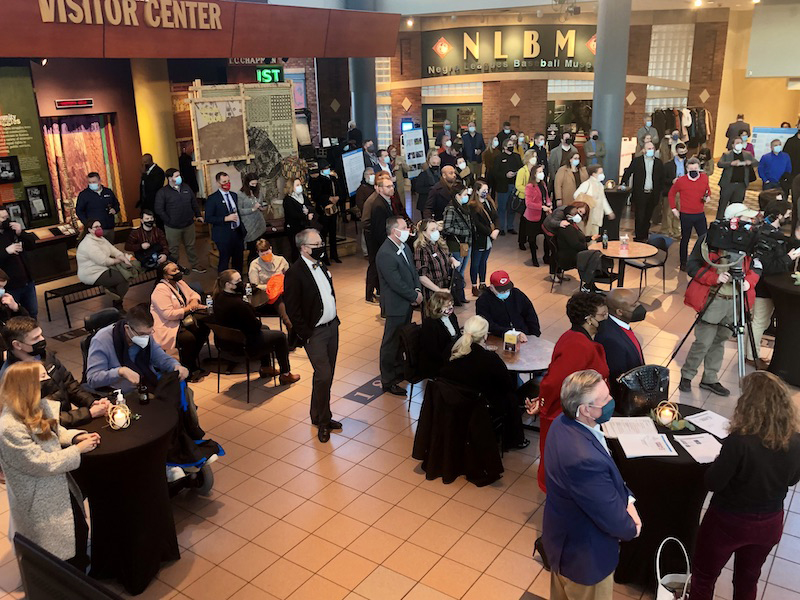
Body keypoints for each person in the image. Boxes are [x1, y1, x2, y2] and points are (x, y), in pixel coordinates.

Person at [688, 371, 800, 600]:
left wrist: (718, 462)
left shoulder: (740, 440)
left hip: (728, 520)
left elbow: (713, 483)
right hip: (770, 523)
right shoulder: (796, 440)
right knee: (748, 580)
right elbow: (791, 480)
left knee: (704, 577)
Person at [541, 369, 641, 599]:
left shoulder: (561, 423)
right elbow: (609, 514)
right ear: (585, 409)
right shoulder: (583, 460)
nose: (611, 401)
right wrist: (632, 527)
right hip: (585, 559)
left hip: (562, 540)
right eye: (605, 399)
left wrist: (628, 499)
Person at [0, 361, 99, 568]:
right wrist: (77, 450)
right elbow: (39, 463)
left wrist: (75, 437)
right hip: (39, 498)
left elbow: (54, 431)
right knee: (58, 549)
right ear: (26, 386)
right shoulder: (9, 428)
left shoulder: (37, 404)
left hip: (58, 487)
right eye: (43, 378)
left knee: (79, 530)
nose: (49, 381)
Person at [527, 292, 610, 492]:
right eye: (603, 315)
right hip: (568, 418)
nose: (607, 319)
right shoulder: (579, 346)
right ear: (589, 319)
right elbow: (556, 382)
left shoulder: (574, 337)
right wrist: (543, 403)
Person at [679, 204, 761, 397]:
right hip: (713, 299)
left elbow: (756, 266)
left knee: (720, 341)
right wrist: (714, 278)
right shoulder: (709, 239)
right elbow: (692, 266)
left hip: (735, 302)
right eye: (745, 218)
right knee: (703, 342)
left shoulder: (749, 240)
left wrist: (748, 282)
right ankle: (687, 376)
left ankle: (710, 379)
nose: (749, 222)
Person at [283, 229, 341, 443]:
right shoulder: (295, 273)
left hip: (332, 327)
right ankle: (323, 421)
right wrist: (306, 334)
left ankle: (317, 414)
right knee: (323, 375)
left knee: (326, 375)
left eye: (321, 243)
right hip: (315, 332)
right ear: (304, 248)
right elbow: (292, 309)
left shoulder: (321, 265)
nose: (321, 247)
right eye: (317, 245)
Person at [439, 315, 530, 450]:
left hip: (452, 399)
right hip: (480, 404)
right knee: (511, 397)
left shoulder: (450, 349)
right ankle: (515, 439)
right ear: (485, 336)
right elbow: (507, 385)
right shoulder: (489, 359)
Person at [1, 316, 110, 427]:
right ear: (17, 345)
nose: (42, 339)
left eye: (41, 334)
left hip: (69, 421)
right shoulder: (12, 377)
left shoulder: (45, 355)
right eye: (35, 338)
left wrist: (91, 402)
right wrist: (88, 414)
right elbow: (38, 419)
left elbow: (69, 383)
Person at [212, 269, 300, 385]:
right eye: (238, 281)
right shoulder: (239, 305)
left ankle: (266, 367)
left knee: (266, 328)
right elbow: (255, 326)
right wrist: (250, 309)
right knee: (281, 336)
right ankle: (286, 374)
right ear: (228, 285)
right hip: (244, 345)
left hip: (225, 342)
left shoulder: (217, 298)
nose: (241, 283)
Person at [86, 302, 189, 393]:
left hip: (145, 383)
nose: (146, 338)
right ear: (127, 328)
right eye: (142, 334)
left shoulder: (146, 335)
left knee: (181, 390)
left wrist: (176, 366)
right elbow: (92, 379)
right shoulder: (101, 340)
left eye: (149, 333)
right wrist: (120, 372)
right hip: (120, 393)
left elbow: (160, 357)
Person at [746, 200, 800, 369]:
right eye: (787, 215)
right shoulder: (766, 236)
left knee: (759, 320)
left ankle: (750, 353)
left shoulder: (770, 232)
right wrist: (788, 258)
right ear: (778, 215)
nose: (789, 218)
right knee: (760, 321)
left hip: (767, 285)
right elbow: (767, 266)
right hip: (763, 286)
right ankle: (751, 356)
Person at [376, 216, 422, 396]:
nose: (407, 230)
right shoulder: (385, 253)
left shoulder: (404, 247)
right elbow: (395, 282)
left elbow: (413, 271)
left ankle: (398, 370)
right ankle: (388, 380)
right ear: (394, 230)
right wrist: (414, 296)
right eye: (404, 227)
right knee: (391, 342)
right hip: (396, 304)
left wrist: (416, 289)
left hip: (407, 301)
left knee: (401, 339)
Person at [150, 261, 209, 382]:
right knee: (188, 338)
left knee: (203, 327)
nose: (178, 272)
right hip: (168, 325)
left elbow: (193, 294)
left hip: (183, 319)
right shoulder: (160, 290)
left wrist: (194, 302)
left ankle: (191, 361)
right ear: (165, 276)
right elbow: (168, 314)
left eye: (177, 269)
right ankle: (187, 368)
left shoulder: (179, 283)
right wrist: (190, 308)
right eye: (174, 271)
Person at [594, 289, 646, 400]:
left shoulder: (620, 326)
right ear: (619, 312)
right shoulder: (610, 339)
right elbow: (619, 378)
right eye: (634, 305)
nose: (639, 306)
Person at [155, 168, 205, 274]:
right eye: (176, 176)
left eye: (179, 175)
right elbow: (159, 209)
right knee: (173, 249)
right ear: (169, 178)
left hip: (188, 224)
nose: (179, 178)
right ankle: (174, 268)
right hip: (172, 227)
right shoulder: (163, 192)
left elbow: (193, 202)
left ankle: (195, 264)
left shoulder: (186, 187)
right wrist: (169, 220)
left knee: (191, 246)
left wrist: (198, 215)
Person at [76, 220, 133, 312]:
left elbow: (113, 250)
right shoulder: (88, 244)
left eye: (100, 226)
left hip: (103, 269)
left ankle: (113, 293)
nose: (99, 228)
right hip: (92, 274)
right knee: (123, 278)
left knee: (126, 275)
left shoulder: (101, 239)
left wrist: (121, 256)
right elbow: (104, 261)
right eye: (96, 227)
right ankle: (117, 303)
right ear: (90, 230)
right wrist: (120, 260)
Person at [670, 157, 711, 270]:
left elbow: (708, 190)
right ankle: (683, 262)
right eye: (691, 169)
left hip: (700, 214)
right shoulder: (681, 181)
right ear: (687, 169)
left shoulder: (704, 178)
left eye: (695, 169)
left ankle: (703, 261)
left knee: (704, 239)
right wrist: (674, 209)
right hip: (686, 215)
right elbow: (671, 194)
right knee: (685, 239)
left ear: (699, 168)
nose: (693, 171)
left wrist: (708, 196)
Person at [476, 270, 541, 340]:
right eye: (502, 291)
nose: (506, 293)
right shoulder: (483, 301)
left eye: (507, 290)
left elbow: (530, 314)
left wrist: (534, 334)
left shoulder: (517, 294)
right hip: (499, 337)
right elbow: (487, 324)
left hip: (523, 334)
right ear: (492, 288)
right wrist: (509, 333)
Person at [622, 141, 665, 242]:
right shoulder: (637, 161)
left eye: (652, 148)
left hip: (652, 193)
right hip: (640, 193)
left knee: (647, 216)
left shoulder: (658, 162)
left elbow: (661, 178)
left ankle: (645, 235)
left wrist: (660, 191)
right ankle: (639, 236)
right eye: (649, 148)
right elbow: (628, 172)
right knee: (639, 216)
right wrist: (623, 183)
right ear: (644, 150)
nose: (651, 150)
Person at [0, 207, 38, 318]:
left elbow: (32, 245)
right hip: (10, 285)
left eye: (7, 217)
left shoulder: (11, 231)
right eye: (2, 218)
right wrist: (6, 251)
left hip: (27, 281)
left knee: (32, 313)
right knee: (12, 315)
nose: (6, 220)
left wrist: (21, 233)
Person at [205, 171, 246, 274]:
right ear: (218, 183)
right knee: (224, 261)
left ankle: (238, 279)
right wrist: (225, 219)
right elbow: (208, 218)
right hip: (223, 235)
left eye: (228, 181)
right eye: (224, 182)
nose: (227, 184)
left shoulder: (234, 195)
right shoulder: (212, 199)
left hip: (237, 233)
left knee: (238, 260)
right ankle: (223, 281)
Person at [248, 238, 293, 331]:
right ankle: (288, 322)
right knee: (278, 297)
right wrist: (272, 286)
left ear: (271, 249)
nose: (266, 256)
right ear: (258, 253)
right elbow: (255, 285)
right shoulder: (255, 265)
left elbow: (290, 277)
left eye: (267, 253)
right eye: (263, 254)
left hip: (283, 289)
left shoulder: (281, 260)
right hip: (267, 294)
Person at [367, 172, 397, 304]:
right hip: (378, 244)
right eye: (388, 187)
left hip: (382, 242)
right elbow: (379, 230)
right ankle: (370, 294)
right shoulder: (378, 205)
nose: (391, 188)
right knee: (375, 268)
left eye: (392, 186)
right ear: (379, 189)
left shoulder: (386, 201)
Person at [413, 219, 460, 304]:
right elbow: (421, 276)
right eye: (432, 230)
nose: (436, 232)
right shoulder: (421, 249)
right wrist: (438, 290)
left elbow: (447, 256)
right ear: (423, 232)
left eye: (436, 229)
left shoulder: (439, 243)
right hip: (432, 293)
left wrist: (453, 260)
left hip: (445, 288)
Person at [468, 180, 499, 294]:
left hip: (489, 239)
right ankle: (474, 285)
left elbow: (496, 217)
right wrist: (490, 232)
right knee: (475, 263)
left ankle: (482, 283)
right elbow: (476, 223)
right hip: (479, 238)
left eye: (487, 189)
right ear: (476, 191)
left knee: (483, 262)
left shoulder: (489, 202)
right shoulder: (473, 206)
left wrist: (497, 229)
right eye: (483, 190)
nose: (486, 192)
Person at [419, 291, 459, 379]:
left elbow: (458, 335)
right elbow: (432, 351)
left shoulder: (452, 316)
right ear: (437, 307)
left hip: (451, 355)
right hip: (437, 362)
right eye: (447, 306)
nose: (451, 307)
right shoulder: (430, 324)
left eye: (451, 304)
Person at [717, 137, 759, 220]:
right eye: (737, 143)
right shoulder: (727, 154)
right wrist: (731, 163)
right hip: (728, 184)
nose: (739, 145)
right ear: (733, 145)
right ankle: (719, 221)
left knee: (737, 206)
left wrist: (750, 162)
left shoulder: (747, 154)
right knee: (723, 205)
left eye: (741, 143)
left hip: (741, 185)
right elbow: (720, 164)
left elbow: (756, 162)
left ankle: (734, 222)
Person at [309, 160, 342, 264]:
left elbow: (339, 190)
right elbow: (316, 196)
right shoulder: (316, 181)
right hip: (323, 210)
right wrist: (328, 198)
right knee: (324, 233)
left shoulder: (332, 179)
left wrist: (337, 197)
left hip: (333, 209)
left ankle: (334, 255)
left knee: (333, 233)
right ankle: (324, 257)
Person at [442, 183, 473, 289]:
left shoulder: (464, 207)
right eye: (464, 194)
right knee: (456, 271)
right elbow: (447, 228)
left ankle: (460, 291)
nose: (466, 197)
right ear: (457, 196)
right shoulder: (451, 209)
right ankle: (455, 291)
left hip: (466, 243)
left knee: (462, 270)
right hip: (456, 244)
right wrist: (464, 231)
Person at [523, 164, 553, 267]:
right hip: (532, 216)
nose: (542, 174)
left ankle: (546, 256)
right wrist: (541, 207)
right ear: (534, 174)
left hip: (543, 215)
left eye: (542, 171)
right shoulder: (530, 186)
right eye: (539, 172)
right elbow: (528, 203)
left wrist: (549, 204)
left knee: (547, 236)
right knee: (532, 238)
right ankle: (534, 258)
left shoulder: (543, 184)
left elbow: (546, 197)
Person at [76, 172, 120, 243]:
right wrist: (88, 224)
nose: (92, 184)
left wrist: (115, 210)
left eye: (94, 182)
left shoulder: (108, 192)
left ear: (99, 181)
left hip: (109, 227)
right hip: (94, 229)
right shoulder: (84, 195)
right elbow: (79, 211)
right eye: (90, 182)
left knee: (110, 247)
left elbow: (116, 204)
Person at [493, 137, 523, 235]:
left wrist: (517, 173)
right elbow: (495, 173)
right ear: (505, 147)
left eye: (512, 145)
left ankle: (510, 227)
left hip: (514, 185)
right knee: (502, 208)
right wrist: (505, 175)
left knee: (512, 207)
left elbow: (521, 168)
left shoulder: (517, 157)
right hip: (503, 186)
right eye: (510, 145)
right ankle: (501, 228)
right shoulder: (499, 157)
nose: (512, 147)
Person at [574, 164, 614, 238]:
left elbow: (603, 200)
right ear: (593, 174)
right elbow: (576, 195)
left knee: (594, 236)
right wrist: (587, 201)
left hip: (597, 215)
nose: (602, 175)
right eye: (600, 173)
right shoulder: (587, 184)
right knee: (586, 235)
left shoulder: (600, 185)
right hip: (587, 215)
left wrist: (609, 212)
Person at [238, 173, 269, 265]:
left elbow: (262, 202)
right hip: (249, 226)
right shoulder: (240, 194)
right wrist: (252, 209)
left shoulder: (258, 192)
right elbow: (239, 211)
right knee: (252, 252)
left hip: (259, 223)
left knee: (262, 249)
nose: (254, 186)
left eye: (256, 184)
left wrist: (263, 207)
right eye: (252, 184)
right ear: (247, 183)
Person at [283, 178, 314, 263]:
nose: (300, 186)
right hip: (294, 228)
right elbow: (292, 214)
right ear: (291, 187)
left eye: (300, 184)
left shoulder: (303, 196)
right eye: (297, 185)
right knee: (296, 249)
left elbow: (310, 206)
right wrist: (305, 217)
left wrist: (309, 211)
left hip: (304, 226)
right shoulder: (288, 200)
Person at [515, 149, 538, 250]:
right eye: (533, 156)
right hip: (524, 198)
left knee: (533, 222)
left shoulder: (536, 170)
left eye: (536, 157)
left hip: (534, 199)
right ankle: (522, 241)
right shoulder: (522, 171)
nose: (535, 159)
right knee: (524, 222)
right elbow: (518, 185)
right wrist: (529, 191)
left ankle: (532, 240)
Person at [412, 152, 440, 220]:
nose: (436, 165)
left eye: (437, 163)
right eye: (434, 163)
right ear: (429, 164)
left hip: (438, 204)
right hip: (425, 204)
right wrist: (432, 189)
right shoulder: (423, 175)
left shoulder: (441, 174)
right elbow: (418, 189)